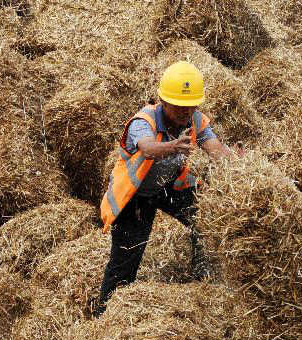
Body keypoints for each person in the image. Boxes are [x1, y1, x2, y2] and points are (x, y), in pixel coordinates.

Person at [95, 61, 240, 316]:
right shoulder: (144, 120)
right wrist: (173, 147)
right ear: (163, 101)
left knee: (207, 219)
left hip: (168, 187)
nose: (186, 112)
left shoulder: (196, 120)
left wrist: (241, 164)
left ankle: (204, 278)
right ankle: (105, 314)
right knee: (125, 262)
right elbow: (148, 148)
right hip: (135, 196)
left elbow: (216, 149)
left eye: (191, 106)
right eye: (179, 106)